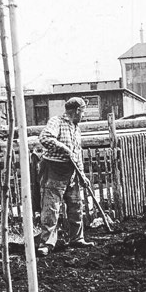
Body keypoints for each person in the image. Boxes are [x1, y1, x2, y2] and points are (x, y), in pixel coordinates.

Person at [35, 97, 94, 257]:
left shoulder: (77, 129)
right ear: (77, 110)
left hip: (72, 171)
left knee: (76, 206)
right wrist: (63, 148)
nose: (83, 115)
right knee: (52, 208)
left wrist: (82, 175)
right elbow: (45, 138)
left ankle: (77, 238)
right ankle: (47, 244)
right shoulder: (57, 122)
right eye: (83, 112)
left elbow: (77, 154)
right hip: (54, 169)